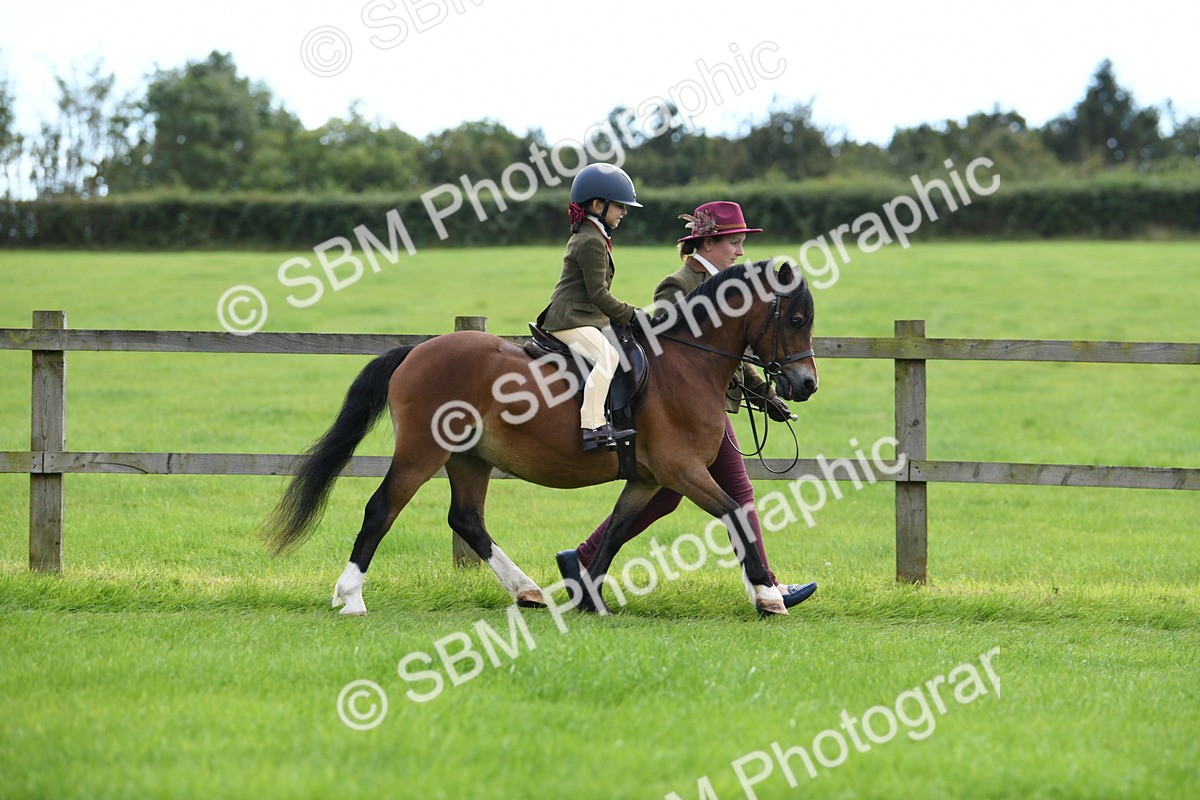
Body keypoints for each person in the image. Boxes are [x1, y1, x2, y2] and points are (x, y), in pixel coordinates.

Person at [556, 201, 818, 608]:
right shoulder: (678, 284)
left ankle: (585, 559)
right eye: (734, 242)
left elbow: (729, 358)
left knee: (665, 494)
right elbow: (673, 354)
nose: (740, 251)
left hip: (708, 405)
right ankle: (767, 588)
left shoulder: (736, 288)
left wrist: (765, 395)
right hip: (682, 410)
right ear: (708, 243)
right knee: (735, 494)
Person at [538, 163, 643, 452]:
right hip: (569, 318)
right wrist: (632, 314)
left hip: (585, 316)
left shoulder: (593, 236)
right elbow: (599, 293)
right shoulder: (591, 242)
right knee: (607, 358)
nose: (624, 212)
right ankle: (592, 427)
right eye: (620, 206)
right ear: (599, 205)